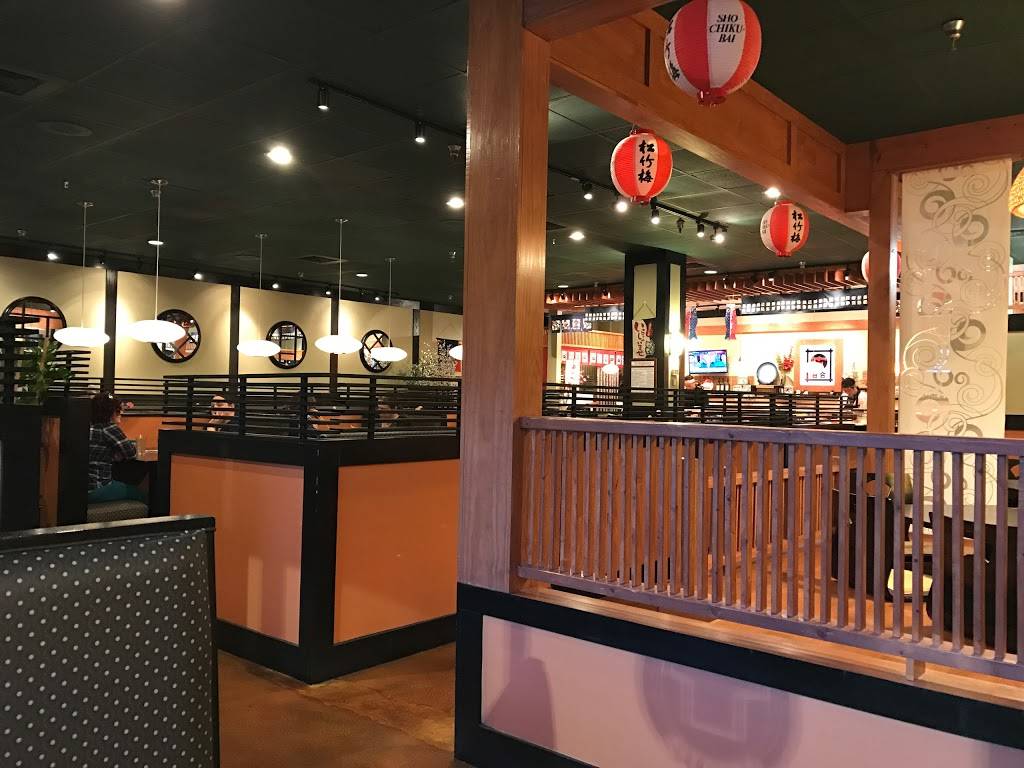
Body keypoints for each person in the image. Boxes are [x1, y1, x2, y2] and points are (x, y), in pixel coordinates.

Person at [88, 392, 145, 504]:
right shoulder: (109, 428)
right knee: (140, 494)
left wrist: (113, 454)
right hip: (98, 487)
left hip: (82, 487)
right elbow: (131, 453)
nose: (121, 413)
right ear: (109, 412)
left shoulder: (88, 426)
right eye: (118, 410)